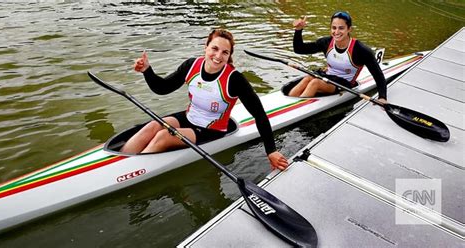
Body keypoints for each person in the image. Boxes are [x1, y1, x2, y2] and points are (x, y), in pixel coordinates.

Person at [122, 29, 289, 171]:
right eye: (214, 49)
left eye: (225, 52)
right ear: (206, 47)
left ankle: (131, 172)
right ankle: (120, 163)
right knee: (151, 127)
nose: (218, 56)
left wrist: (271, 150)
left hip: (212, 129)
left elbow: (259, 115)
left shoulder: (235, 79)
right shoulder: (191, 65)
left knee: (163, 137)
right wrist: (147, 71)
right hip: (189, 118)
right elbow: (163, 88)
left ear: (229, 55)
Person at [288, 12, 388, 104]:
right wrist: (298, 30)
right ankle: (289, 102)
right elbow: (299, 49)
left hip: (344, 84)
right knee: (307, 78)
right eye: (334, 28)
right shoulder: (326, 43)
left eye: (341, 28)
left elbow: (378, 76)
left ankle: (296, 108)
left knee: (314, 83)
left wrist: (382, 97)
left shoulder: (361, 50)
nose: (336, 32)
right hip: (328, 77)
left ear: (349, 29)